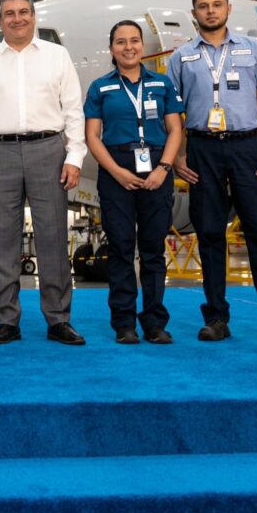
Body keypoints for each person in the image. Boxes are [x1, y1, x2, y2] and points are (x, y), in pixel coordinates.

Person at [166, 0, 257, 344]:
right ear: (194, 13)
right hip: (202, 150)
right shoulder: (180, 58)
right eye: (203, 6)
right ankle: (216, 318)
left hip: (246, 148)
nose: (210, 11)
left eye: (217, 4)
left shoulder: (253, 49)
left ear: (228, 9)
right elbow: (172, 113)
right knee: (210, 235)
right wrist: (176, 156)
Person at [0, 0, 87, 346]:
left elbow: (73, 109)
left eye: (23, 12)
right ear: (1, 21)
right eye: (9, 13)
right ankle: (7, 321)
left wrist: (74, 157)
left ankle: (58, 320)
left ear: (33, 16)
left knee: (52, 239)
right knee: (3, 242)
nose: (17, 19)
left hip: (49, 150)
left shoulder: (57, 56)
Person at [84, 20, 183, 345]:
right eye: (121, 42)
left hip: (157, 166)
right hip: (117, 169)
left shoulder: (162, 84)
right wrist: (116, 171)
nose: (128, 47)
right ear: (111, 48)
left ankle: (154, 323)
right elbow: (92, 136)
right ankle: (124, 323)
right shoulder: (100, 87)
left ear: (143, 45)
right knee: (121, 249)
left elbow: (175, 130)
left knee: (154, 250)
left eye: (134, 41)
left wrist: (164, 168)